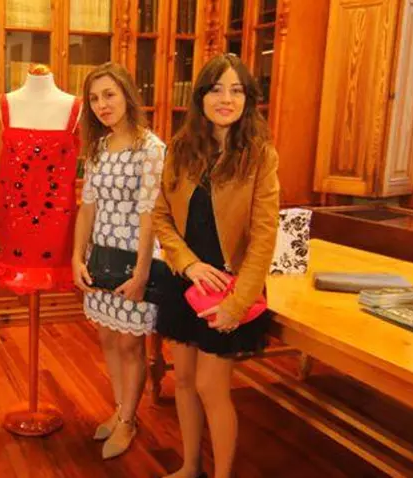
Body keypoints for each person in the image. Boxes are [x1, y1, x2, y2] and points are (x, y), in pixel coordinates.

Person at [152, 53, 280, 478]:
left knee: (211, 386)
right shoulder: (181, 149)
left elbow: (263, 237)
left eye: (236, 90)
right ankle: (190, 467)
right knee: (184, 381)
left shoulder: (260, 156)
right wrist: (188, 264)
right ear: (201, 97)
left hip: (231, 289)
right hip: (184, 282)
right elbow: (161, 217)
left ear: (248, 99)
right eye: (216, 89)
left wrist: (238, 304)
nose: (226, 99)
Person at [71, 62, 166, 459]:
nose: (102, 105)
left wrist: (142, 273)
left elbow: (150, 216)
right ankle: (120, 408)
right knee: (108, 338)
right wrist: (77, 257)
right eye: (94, 98)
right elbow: (87, 208)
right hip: (101, 259)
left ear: (127, 94)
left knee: (131, 345)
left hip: (133, 260)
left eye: (109, 94)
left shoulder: (151, 149)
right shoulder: (98, 147)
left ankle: (128, 420)